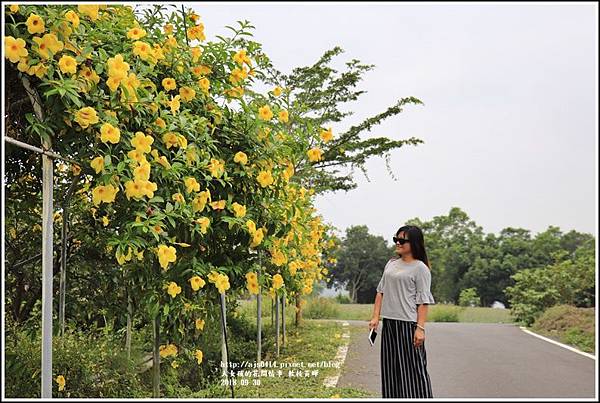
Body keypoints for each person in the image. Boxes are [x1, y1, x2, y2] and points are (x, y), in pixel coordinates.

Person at [368, 225, 435, 398]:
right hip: (389, 324)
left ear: (414, 243)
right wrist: (375, 317)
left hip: (409, 326)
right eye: (396, 239)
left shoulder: (420, 268)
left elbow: (423, 301)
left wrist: (420, 328)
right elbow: (380, 291)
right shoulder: (391, 264)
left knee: (414, 371)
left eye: (402, 240)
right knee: (391, 371)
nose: (398, 242)